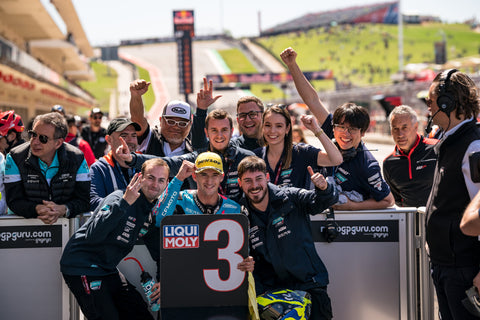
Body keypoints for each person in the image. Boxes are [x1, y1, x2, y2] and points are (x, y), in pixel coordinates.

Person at [60, 158, 184, 320]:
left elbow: (159, 251)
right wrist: (124, 203)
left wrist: (162, 280)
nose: (155, 185)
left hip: (108, 269)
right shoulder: (118, 197)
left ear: (167, 183)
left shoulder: (151, 213)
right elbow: (93, 235)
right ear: (140, 177)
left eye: (161, 180)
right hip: (82, 266)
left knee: (139, 313)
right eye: (151, 178)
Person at [280, 47, 394, 210]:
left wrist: (351, 206)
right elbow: (312, 100)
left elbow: (388, 201)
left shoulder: (368, 165)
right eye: (341, 127)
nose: (345, 134)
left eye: (353, 129)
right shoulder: (331, 131)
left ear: (362, 133)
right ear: (334, 128)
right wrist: (292, 65)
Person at [151, 152, 255, 319]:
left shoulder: (235, 209)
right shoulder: (179, 199)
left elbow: (244, 254)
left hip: (220, 297)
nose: (209, 181)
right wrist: (178, 179)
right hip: (181, 292)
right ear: (194, 176)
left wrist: (248, 263)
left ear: (222, 177)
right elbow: (159, 218)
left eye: (214, 175)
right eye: (203, 175)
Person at [237, 155, 338, 320]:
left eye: (258, 179)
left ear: (267, 177)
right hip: (274, 295)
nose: (254, 186)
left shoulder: (290, 196)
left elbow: (322, 201)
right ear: (240, 183)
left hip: (310, 286)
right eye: (248, 180)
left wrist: (324, 188)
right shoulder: (240, 215)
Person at [424, 69, 480, 320]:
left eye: (430, 102)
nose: (428, 108)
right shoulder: (450, 140)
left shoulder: (473, 146)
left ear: (447, 103)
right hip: (446, 265)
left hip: (466, 271)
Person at [124, 109, 254, 199]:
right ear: (206, 133)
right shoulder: (197, 157)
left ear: (232, 131)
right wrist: (132, 158)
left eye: (224, 130)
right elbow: (166, 163)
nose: (219, 135)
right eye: (214, 130)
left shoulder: (247, 158)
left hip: (237, 220)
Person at [4, 112, 90, 223]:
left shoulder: (77, 158)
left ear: (58, 143)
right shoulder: (15, 157)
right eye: (33, 134)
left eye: (43, 138)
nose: (35, 142)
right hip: (23, 228)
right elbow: (13, 201)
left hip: (66, 228)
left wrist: (64, 209)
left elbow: (85, 200)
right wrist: (37, 209)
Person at [253, 105, 342, 189]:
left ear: (287, 129)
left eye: (279, 126)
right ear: (262, 127)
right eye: (268, 125)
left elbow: (336, 159)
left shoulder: (301, 152)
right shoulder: (256, 156)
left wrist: (316, 129)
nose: (272, 131)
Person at [383, 105, 438, 207]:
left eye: (405, 128)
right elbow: (397, 199)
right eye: (395, 129)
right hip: (409, 220)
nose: (400, 134)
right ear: (391, 131)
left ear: (416, 127)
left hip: (440, 218)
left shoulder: (437, 148)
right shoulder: (388, 163)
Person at [192, 78, 265, 151]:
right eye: (242, 115)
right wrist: (201, 110)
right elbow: (200, 146)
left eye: (252, 114)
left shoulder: (274, 143)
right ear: (238, 120)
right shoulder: (231, 147)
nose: (248, 119)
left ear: (263, 116)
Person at [129, 79, 194, 156]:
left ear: (190, 125)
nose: (176, 127)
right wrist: (136, 95)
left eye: (182, 123)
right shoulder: (149, 138)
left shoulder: (193, 150)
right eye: (170, 121)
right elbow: (138, 120)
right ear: (161, 121)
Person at [89, 118, 141, 211]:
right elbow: (94, 202)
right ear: (109, 140)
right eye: (124, 136)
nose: (130, 141)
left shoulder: (145, 165)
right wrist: (124, 202)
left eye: (134, 136)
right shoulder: (99, 168)